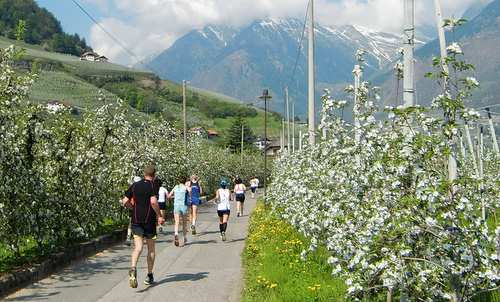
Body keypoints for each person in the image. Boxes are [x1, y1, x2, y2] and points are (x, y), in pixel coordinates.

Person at [121, 166, 164, 288]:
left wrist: (132, 207)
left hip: (136, 220)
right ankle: (149, 275)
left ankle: (133, 268)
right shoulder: (153, 185)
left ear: (144, 173)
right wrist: (159, 216)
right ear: (154, 175)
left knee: (138, 248)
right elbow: (153, 202)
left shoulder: (135, 185)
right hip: (149, 221)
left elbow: (124, 201)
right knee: (151, 249)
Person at [168, 176, 189, 247]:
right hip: (183, 206)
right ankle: (185, 238)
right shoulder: (185, 187)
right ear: (185, 181)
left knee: (176, 222)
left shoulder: (175, 187)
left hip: (176, 206)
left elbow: (169, 196)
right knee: (184, 223)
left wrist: (175, 196)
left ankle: (176, 234)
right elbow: (190, 191)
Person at [124, 176, 142, 246]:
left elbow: (125, 200)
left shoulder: (131, 188)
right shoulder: (141, 189)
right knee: (138, 223)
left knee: (131, 222)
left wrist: (130, 207)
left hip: (132, 207)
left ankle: (129, 237)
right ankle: (136, 238)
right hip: (139, 208)